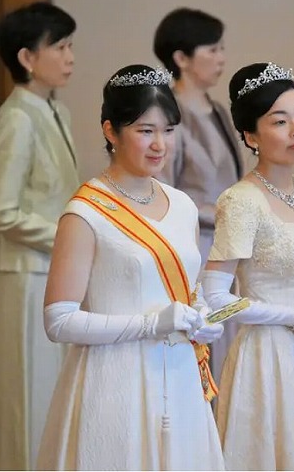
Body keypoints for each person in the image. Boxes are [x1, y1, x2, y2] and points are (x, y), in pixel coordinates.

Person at [36, 64, 225, 470]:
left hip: (180, 376)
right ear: (111, 131)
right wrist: (150, 324)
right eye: (145, 131)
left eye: (168, 131)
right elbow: (58, 320)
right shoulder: (86, 212)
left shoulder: (183, 205)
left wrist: (203, 314)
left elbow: (189, 290)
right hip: (114, 380)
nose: (160, 144)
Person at [201, 62, 294, 470]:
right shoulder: (241, 201)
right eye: (280, 121)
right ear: (251, 136)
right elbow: (216, 298)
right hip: (266, 357)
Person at [0, 1, 79, 471]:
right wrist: (69, 237)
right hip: (24, 277)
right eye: (60, 47)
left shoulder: (57, 111)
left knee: (52, 390)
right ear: (27, 58)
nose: (70, 57)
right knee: (27, 393)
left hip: (55, 270)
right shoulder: (16, 117)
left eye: (70, 45)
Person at [154, 7, 245, 383]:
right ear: (181, 58)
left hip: (225, 245)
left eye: (222, 48)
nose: (221, 58)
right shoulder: (167, 115)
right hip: (195, 245)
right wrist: (220, 213)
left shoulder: (218, 111)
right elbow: (162, 192)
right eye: (212, 49)